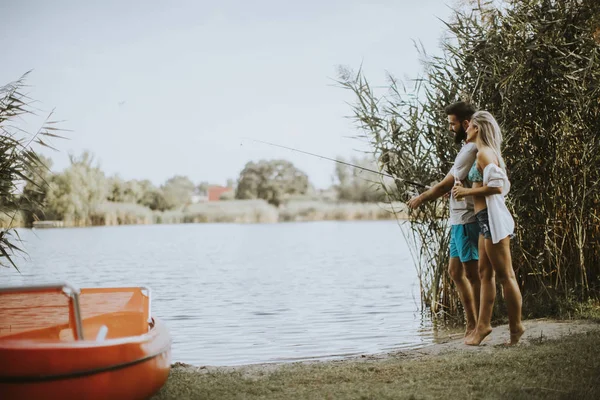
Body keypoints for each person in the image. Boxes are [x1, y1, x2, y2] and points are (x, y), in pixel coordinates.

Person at [407, 101, 480, 338]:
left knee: (471, 274)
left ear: (465, 123)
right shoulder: (465, 149)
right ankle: (472, 324)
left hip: (467, 219)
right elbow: (453, 181)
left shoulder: (470, 150)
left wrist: (421, 198)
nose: (450, 128)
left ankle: (479, 324)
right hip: (457, 220)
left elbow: (444, 185)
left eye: (453, 124)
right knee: (454, 271)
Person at [452, 110, 525, 346]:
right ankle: (483, 326)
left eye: (470, 126)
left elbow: (498, 185)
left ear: (478, 129)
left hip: (491, 221)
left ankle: (516, 330)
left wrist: (467, 192)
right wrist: (466, 190)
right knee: (485, 274)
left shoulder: (484, 154)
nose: (467, 129)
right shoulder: (481, 154)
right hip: (483, 220)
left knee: (506, 275)